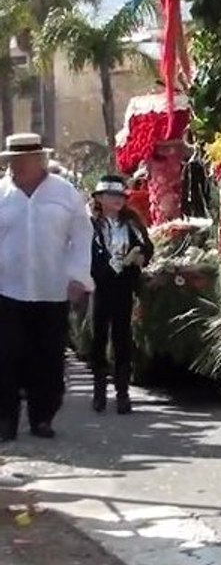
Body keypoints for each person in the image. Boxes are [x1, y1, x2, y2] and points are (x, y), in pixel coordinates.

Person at [0, 133, 93, 441]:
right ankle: (6, 421)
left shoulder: (65, 194)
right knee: (6, 356)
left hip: (52, 289)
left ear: (38, 161)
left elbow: (81, 237)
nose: (15, 167)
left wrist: (79, 276)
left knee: (48, 357)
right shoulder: (2, 193)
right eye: (11, 162)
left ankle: (43, 417)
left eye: (21, 161)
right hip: (7, 289)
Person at [89, 176, 154, 414]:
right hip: (101, 286)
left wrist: (140, 257)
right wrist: (108, 268)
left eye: (120, 197)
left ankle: (123, 393)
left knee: (122, 337)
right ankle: (98, 391)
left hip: (124, 286)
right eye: (111, 196)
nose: (117, 200)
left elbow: (147, 247)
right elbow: (89, 255)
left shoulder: (131, 224)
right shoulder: (93, 225)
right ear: (100, 199)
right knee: (99, 337)